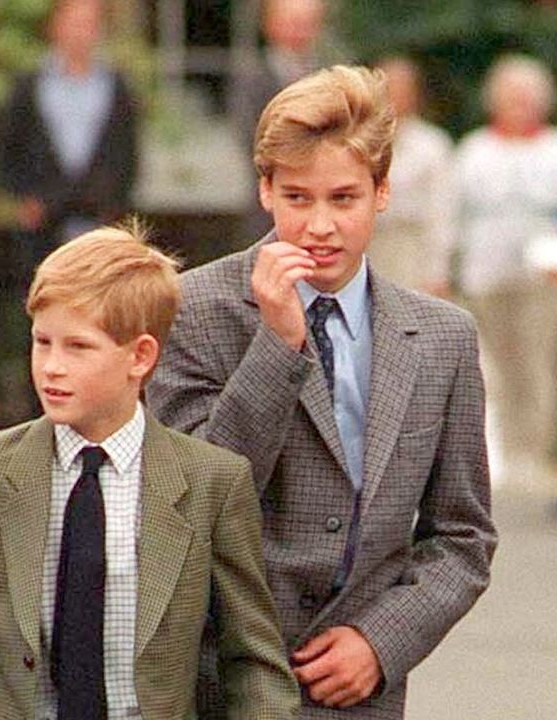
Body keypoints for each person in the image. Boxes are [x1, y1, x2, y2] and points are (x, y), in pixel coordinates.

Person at [148, 66, 497, 718]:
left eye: (344, 198)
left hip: (360, 692)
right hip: (218, 682)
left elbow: (463, 536)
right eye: (298, 198)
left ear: (382, 192)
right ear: (265, 191)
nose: (321, 226)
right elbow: (186, 503)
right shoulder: (194, 308)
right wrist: (277, 346)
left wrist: (380, 641)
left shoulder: (444, 338)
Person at [0, 225, 298, 719]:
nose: (51, 367)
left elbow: (252, 660)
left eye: (78, 347)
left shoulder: (212, 482)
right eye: (42, 342)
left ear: (141, 356)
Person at [453, 54, 557, 484]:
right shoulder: (474, 149)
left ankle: (536, 451)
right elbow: (455, 215)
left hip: (542, 279)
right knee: (493, 366)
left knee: (539, 365)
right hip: (485, 276)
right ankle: (503, 453)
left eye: (527, 98)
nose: (519, 106)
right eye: (511, 98)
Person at [0, 0, 138, 272]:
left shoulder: (116, 85)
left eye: (88, 25)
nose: (80, 33)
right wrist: (25, 198)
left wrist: (114, 204)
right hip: (43, 218)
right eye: (74, 23)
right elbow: (9, 146)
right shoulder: (30, 85)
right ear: (56, 27)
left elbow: (127, 151)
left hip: (97, 215)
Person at [230, 0, 338, 240]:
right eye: (293, 22)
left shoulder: (333, 76)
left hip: (327, 204)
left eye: (307, 22)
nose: (300, 30)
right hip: (270, 209)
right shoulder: (252, 77)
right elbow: (251, 137)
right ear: (270, 25)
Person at [366, 56, 456, 296]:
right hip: (369, 246)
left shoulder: (433, 145)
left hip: (412, 249)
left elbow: (441, 213)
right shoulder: (358, 141)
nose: (394, 96)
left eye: (402, 89)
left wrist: (438, 272)